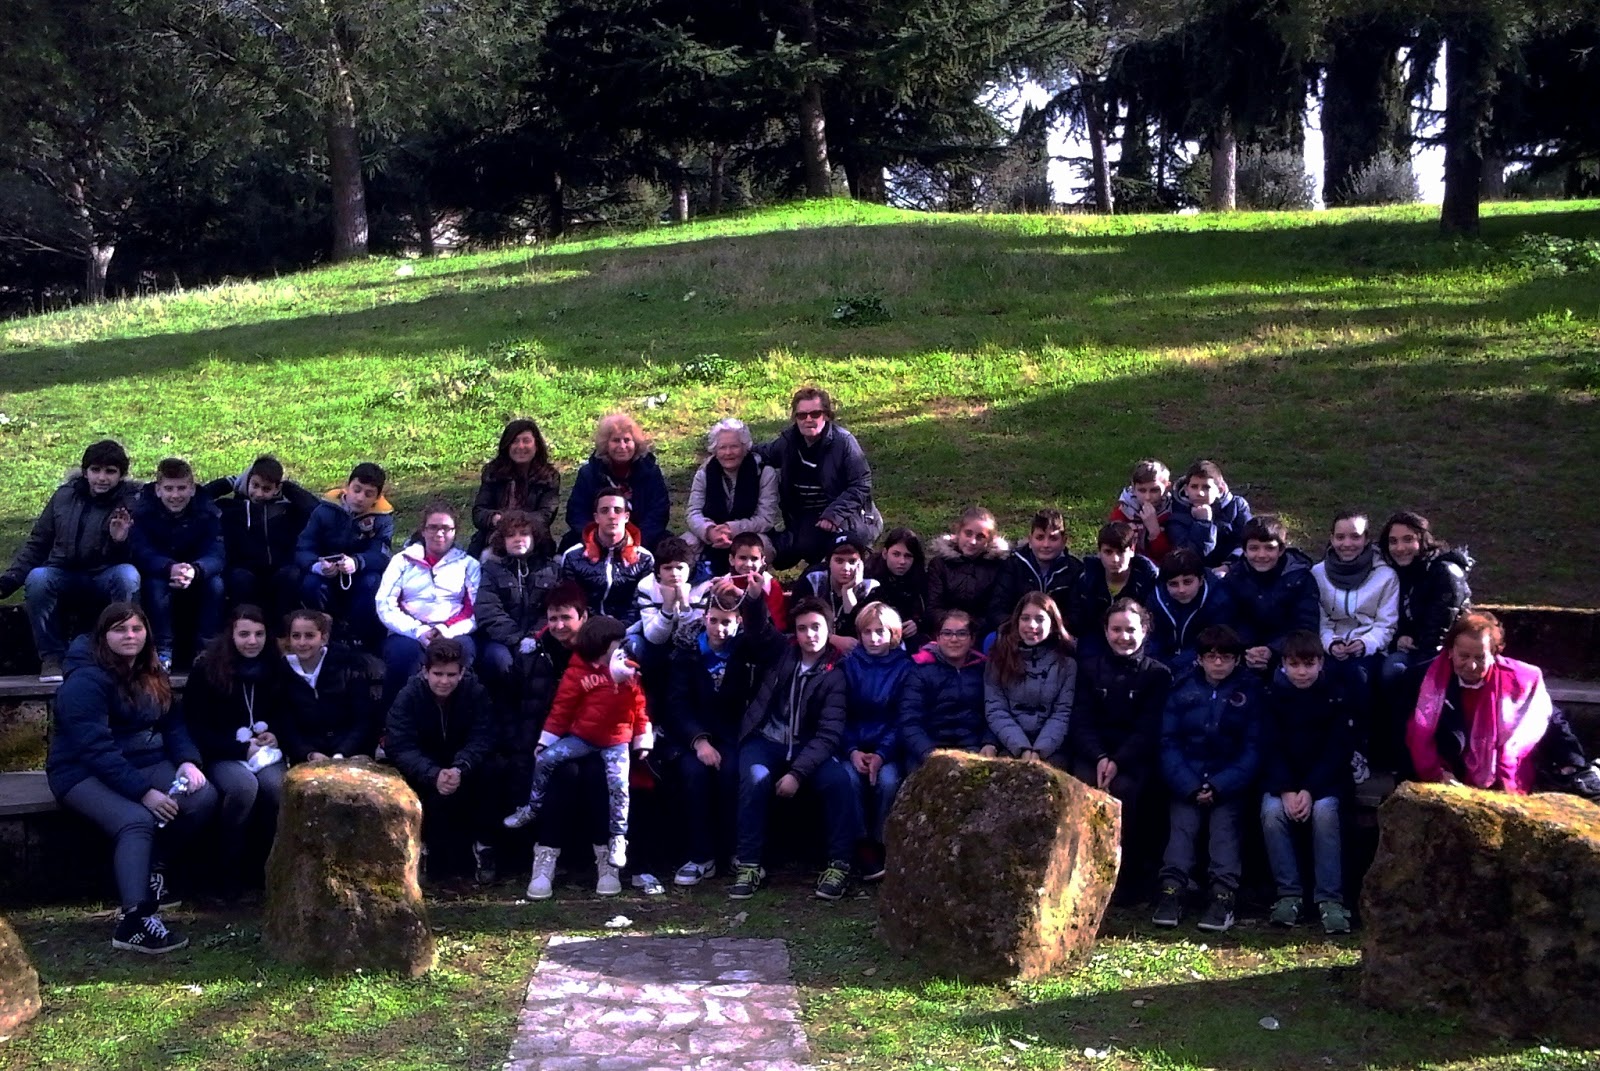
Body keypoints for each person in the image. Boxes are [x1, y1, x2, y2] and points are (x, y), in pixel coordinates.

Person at [46, 603, 218, 953]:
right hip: (81, 770)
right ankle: (134, 922)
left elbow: (173, 723)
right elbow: (96, 750)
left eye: (136, 629)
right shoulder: (85, 680)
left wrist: (187, 761)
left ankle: (154, 867)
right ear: (103, 635)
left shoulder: (150, 669)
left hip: (145, 759)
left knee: (203, 796)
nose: (130, 636)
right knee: (136, 821)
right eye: (120, 630)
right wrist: (144, 793)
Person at [729, 598, 859, 902]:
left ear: (830, 629)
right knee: (755, 779)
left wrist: (798, 774)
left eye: (816, 627)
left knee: (840, 782)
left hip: (807, 746)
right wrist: (754, 597)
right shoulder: (781, 652)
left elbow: (829, 733)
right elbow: (758, 628)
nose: (810, 635)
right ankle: (749, 864)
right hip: (764, 739)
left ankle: (839, 865)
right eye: (802, 629)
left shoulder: (836, 672)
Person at [663, 578, 785, 886]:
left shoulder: (745, 651)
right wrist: (699, 741)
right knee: (694, 775)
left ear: (738, 622)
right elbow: (676, 704)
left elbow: (774, 646)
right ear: (704, 618)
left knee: (733, 773)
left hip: (733, 734)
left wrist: (756, 601)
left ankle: (734, 852)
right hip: (693, 737)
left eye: (727, 622)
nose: (719, 629)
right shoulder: (686, 652)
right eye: (714, 621)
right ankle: (700, 856)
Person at [505, 615, 650, 871]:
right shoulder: (577, 671)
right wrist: (545, 740)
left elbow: (639, 708)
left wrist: (642, 739)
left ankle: (618, 836)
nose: (621, 648)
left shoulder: (629, 672)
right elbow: (562, 708)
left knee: (619, 786)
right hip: (581, 737)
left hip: (616, 741)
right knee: (546, 760)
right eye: (616, 644)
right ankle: (532, 806)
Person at [1, 440, 141, 682]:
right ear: (85, 471)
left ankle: (120, 655)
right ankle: (52, 658)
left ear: (121, 475)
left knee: (127, 576)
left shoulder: (132, 501)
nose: (102, 478)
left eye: (110, 472)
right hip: (64, 572)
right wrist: (10, 580)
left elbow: (142, 554)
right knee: (38, 578)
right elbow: (38, 543)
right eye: (95, 470)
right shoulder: (64, 497)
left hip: (106, 574)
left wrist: (120, 540)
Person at [1152, 625, 1262, 933]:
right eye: (1211, 657)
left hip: (1228, 784)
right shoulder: (1182, 688)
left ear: (1237, 660)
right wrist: (1188, 785)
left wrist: (1219, 785)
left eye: (1226, 657)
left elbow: (1253, 747)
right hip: (1185, 781)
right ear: (1199, 659)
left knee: (1224, 832)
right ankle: (1172, 890)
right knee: (1182, 830)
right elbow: (1168, 742)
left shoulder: (1250, 692)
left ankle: (1222, 896)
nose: (1218, 664)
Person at [182, 604, 292, 895]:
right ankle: (228, 869)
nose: (252, 641)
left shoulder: (276, 667)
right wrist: (239, 750)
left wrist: (275, 735)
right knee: (243, 787)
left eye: (259, 634)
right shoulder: (207, 669)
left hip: (265, 753)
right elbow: (196, 727)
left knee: (276, 787)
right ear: (230, 634)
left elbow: (287, 712)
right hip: (221, 753)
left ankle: (268, 867)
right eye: (244, 634)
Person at [1259, 631, 1355, 934]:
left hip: (1326, 783)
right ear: (1284, 665)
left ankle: (1331, 899)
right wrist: (1287, 789)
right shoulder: (1271, 697)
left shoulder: (1338, 695)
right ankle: (1289, 895)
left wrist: (1310, 790)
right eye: (1294, 664)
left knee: (1325, 813)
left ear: (1320, 663)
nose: (1302, 671)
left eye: (1308, 664)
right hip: (1284, 783)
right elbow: (1269, 746)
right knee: (1271, 812)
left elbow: (1338, 749)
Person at [1070, 598, 1171, 883]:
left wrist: (1118, 761)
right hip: (1093, 754)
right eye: (1116, 629)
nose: (1123, 637)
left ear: (1144, 631)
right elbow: (1081, 720)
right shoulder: (1088, 669)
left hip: (1134, 758)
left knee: (1126, 793)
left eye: (1130, 629)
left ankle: (1125, 878)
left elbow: (1149, 727)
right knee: (1083, 789)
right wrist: (1100, 756)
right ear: (1105, 631)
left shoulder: (1157, 674)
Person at [385, 638, 498, 884]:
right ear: (425, 671)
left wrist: (461, 766)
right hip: (425, 769)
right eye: (438, 674)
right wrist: (433, 773)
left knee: (493, 771)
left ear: (462, 673)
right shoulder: (409, 695)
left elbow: (484, 735)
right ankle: (420, 850)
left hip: (464, 768)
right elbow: (400, 745)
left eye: (450, 674)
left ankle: (484, 848)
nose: (444, 681)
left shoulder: (475, 692)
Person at [1407, 611, 1552, 795]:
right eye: (1464, 656)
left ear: (1493, 654)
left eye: (1479, 658)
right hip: (1441, 776)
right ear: (1450, 652)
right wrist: (1438, 774)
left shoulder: (1522, 681)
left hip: (1503, 778)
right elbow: (1413, 736)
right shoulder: (1422, 680)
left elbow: (1545, 720)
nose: (1471, 665)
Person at [1378, 511, 1473, 769]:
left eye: (1408, 539)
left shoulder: (1445, 572)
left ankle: (1417, 753)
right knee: (1383, 670)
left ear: (1423, 540)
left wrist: (1415, 641)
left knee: (1401, 675)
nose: (1400, 548)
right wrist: (1401, 637)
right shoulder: (1398, 573)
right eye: (1393, 541)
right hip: (1414, 648)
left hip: (1446, 652)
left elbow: (1441, 631)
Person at [1312, 510, 1398, 766]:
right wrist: (1330, 643)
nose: (1347, 544)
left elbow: (1386, 623)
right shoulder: (1318, 573)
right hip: (1331, 646)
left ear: (1366, 539)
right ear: (1331, 538)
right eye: (1340, 537)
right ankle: (1322, 749)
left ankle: (1359, 750)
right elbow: (1321, 618)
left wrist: (1364, 644)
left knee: (1358, 679)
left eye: (1355, 537)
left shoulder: (1385, 576)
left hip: (1367, 648)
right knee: (1319, 679)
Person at [763, 386, 883, 569]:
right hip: (803, 519)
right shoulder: (788, 442)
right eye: (801, 415)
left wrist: (833, 515)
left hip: (846, 519)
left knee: (811, 546)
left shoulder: (844, 443)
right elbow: (764, 453)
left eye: (815, 414)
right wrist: (731, 451)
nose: (808, 420)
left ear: (826, 415)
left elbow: (861, 484)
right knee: (779, 553)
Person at [375, 501, 481, 704]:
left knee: (462, 654)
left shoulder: (469, 564)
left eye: (446, 528)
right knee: (402, 656)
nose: (439, 534)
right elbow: (385, 603)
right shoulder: (402, 561)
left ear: (455, 532)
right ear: (423, 531)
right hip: (407, 632)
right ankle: (392, 722)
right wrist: (418, 631)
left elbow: (474, 609)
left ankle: (458, 721)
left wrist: (446, 630)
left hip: (453, 631)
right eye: (433, 527)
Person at [839, 601, 914, 881]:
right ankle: (861, 845)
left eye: (880, 632)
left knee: (888, 782)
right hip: (852, 745)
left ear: (893, 634)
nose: (873, 638)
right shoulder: (848, 665)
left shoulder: (905, 667)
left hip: (889, 747)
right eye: (867, 632)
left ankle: (883, 842)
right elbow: (840, 713)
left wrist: (882, 753)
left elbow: (903, 718)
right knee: (847, 779)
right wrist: (853, 750)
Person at [130, 458, 226, 670]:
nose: (175, 495)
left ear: (192, 489)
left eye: (181, 488)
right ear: (158, 490)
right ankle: (162, 651)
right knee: (155, 587)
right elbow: (140, 550)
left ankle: (206, 650)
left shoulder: (208, 512)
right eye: (169, 489)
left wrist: (195, 569)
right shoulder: (142, 512)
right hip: (159, 572)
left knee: (215, 585)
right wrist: (168, 568)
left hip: (196, 573)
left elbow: (217, 552)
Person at [203, 455, 319, 625]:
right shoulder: (232, 507)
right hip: (243, 569)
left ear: (276, 488)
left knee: (291, 575)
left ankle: (282, 632)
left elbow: (316, 510)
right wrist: (229, 482)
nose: (258, 494)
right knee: (241, 579)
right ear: (247, 480)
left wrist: (289, 488)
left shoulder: (287, 510)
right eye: (255, 485)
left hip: (278, 570)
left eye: (266, 489)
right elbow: (197, 498)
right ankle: (242, 628)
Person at [295, 462, 394, 647]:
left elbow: (382, 555)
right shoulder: (324, 511)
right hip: (326, 574)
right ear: (346, 487)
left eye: (368, 494)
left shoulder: (383, 519)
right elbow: (304, 547)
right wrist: (317, 566)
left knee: (372, 582)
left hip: (359, 575)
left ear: (377, 497)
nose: (359, 498)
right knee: (311, 584)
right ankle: (322, 634)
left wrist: (358, 562)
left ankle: (359, 638)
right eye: (356, 490)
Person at [474, 511, 561, 699]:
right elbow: (488, 610)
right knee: (500, 662)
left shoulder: (551, 570)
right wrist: (516, 639)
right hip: (501, 641)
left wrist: (534, 637)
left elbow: (555, 609)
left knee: (542, 663)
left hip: (541, 639)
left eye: (524, 533)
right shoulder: (491, 570)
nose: (518, 539)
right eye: (511, 535)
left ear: (534, 537)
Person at [985, 593, 1076, 766]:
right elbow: (996, 709)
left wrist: (1040, 751)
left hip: (1053, 748)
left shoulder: (1067, 664)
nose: (1031, 625)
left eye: (1040, 619)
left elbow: (1062, 713)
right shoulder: (998, 658)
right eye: (1025, 618)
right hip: (1009, 743)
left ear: (1053, 624)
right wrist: (1021, 748)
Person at [279, 608, 381, 762]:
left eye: (309, 636)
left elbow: (363, 718)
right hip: (309, 756)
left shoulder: (348, 666)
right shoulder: (282, 672)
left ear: (324, 638)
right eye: (296, 636)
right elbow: (287, 725)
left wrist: (342, 753)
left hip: (350, 752)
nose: (302, 642)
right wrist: (310, 753)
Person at [1220, 516, 1319, 674]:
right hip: (1244, 655)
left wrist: (1273, 650)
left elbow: (1306, 625)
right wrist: (1248, 650)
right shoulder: (1234, 578)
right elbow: (1226, 621)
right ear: (1244, 551)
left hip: (1290, 656)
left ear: (1280, 550)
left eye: (1269, 548)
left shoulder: (1300, 578)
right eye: (1254, 548)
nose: (1261, 555)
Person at [899, 609, 995, 770]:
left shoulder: (983, 670)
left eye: (962, 634)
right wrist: (930, 754)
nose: (954, 639)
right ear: (938, 638)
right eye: (947, 633)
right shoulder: (920, 670)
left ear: (972, 639)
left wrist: (989, 742)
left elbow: (993, 712)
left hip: (973, 748)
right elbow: (909, 721)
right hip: (929, 751)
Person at [684, 418, 781, 576]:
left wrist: (731, 529)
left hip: (749, 533)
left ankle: (751, 588)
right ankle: (697, 588)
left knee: (760, 545)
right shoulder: (704, 472)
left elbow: (766, 519)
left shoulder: (764, 472)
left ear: (745, 447)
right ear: (715, 450)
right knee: (686, 544)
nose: (728, 453)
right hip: (712, 533)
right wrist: (709, 531)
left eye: (734, 446)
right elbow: (693, 512)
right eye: (722, 447)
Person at [563, 412, 670, 553]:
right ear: (605, 444)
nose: (622, 446)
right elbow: (576, 513)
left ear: (635, 443)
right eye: (616, 440)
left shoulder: (650, 472)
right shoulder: (589, 473)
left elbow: (658, 512)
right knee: (569, 546)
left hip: (642, 540)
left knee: (669, 548)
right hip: (597, 539)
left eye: (627, 440)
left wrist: (635, 543)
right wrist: (599, 540)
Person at [468, 418, 561, 558]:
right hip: (493, 538)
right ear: (507, 446)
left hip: (535, 541)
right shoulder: (493, 473)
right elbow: (479, 513)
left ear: (536, 445)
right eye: (515, 441)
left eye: (526, 441)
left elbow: (545, 516)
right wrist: (497, 519)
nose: (520, 446)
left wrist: (518, 523)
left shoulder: (549, 477)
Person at [559, 489, 655, 623]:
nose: (612, 516)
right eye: (604, 511)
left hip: (629, 631)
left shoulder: (645, 559)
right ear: (596, 517)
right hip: (587, 630)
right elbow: (572, 604)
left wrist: (621, 631)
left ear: (627, 516)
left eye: (618, 510)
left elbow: (639, 606)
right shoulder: (573, 556)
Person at [1068, 522, 1159, 659]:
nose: (1115, 559)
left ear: (1132, 550)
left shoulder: (1148, 580)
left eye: (1121, 552)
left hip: (1136, 639)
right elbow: (1079, 620)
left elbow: (1154, 622)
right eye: (1108, 552)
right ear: (1099, 552)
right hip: (1097, 639)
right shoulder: (1086, 578)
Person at [925, 506, 1011, 642]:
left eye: (980, 537)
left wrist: (971, 629)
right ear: (959, 532)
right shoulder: (940, 564)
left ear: (989, 540)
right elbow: (933, 608)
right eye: (968, 533)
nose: (972, 541)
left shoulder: (998, 566)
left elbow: (995, 608)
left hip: (981, 633)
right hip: (945, 632)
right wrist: (956, 628)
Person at [993, 509, 1082, 638]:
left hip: (1057, 634)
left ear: (1064, 541)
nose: (1046, 544)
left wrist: (1048, 629)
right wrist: (1022, 628)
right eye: (1040, 537)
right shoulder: (1013, 565)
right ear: (1030, 539)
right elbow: (997, 608)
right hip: (1018, 631)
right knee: (992, 639)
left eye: (1053, 538)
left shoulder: (1074, 569)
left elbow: (1077, 614)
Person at [1147, 548, 1235, 676]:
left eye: (1187, 582)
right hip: (1164, 661)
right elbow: (1153, 638)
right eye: (1173, 584)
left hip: (1203, 662)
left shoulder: (1219, 598)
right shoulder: (1155, 599)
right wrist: (1158, 666)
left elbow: (1215, 640)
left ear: (1200, 580)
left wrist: (1176, 665)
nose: (1181, 589)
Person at [1164, 459, 1254, 572]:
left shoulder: (1236, 506)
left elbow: (1249, 540)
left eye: (1206, 487)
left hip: (1235, 569)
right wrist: (1203, 522)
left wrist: (1229, 566)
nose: (1199, 493)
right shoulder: (1177, 514)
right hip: (1195, 575)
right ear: (1186, 490)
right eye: (1194, 487)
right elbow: (1190, 555)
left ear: (1220, 489)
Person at [789, 533, 879, 642]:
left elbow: (865, 630)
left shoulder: (870, 586)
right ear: (829, 562)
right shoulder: (813, 580)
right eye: (839, 561)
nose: (846, 568)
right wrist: (832, 639)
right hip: (815, 645)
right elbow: (796, 622)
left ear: (861, 564)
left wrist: (848, 592)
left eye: (852, 561)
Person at [634, 536, 712, 648]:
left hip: (693, 648)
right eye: (667, 568)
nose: (674, 573)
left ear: (689, 569)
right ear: (658, 571)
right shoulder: (647, 586)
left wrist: (685, 606)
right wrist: (667, 608)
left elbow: (695, 637)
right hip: (656, 645)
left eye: (680, 568)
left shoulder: (704, 586)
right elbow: (654, 638)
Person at [866, 527, 928, 644]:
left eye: (908, 556)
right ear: (885, 553)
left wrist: (917, 623)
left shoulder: (920, 579)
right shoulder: (869, 576)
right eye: (896, 554)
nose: (902, 561)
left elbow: (929, 608)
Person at [1108, 459, 1173, 562]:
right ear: (1133, 488)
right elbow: (1113, 548)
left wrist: (1155, 532)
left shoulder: (1172, 510)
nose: (1147, 497)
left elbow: (1169, 556)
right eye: (1142, 490)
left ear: (1167, 488)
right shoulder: (1123, 511)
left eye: (1154, 490)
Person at [724, 531, 789, 630]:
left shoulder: (770, 585)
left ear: (763, 561)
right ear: (731, 559)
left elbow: (778, 624)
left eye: (754, 559)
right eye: (742, 558)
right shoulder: (725, 582)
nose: (749, 564)